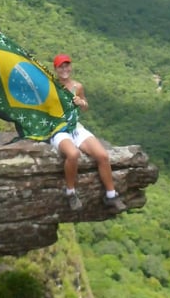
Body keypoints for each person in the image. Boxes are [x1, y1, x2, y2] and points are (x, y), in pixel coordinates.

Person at [50, 53, 126, 213]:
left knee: (102, 156)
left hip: (75, 127)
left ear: (70, 67)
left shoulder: (77, 86)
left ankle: (111, 195)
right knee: (73, 155)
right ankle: (70, 192)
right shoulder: (50, 86)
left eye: (66, 65)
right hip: (59, 129)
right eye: (60, 66)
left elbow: (85, 106)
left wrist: (81, 102)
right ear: (55, 69)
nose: (64, 69)